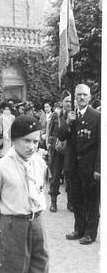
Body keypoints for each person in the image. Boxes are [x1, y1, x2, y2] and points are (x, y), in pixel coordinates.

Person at [0, 115, 48, 273]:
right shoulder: (0, 167)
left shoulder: (39, 162)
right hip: (13, 224)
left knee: (40, 266)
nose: (32, 146)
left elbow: (40, 190)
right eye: (27, 141)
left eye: (35, 142)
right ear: (14, 140)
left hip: (37, 221)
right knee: (14, 271)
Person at [62, 84, 100, 245]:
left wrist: (99, 168)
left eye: (85, 95)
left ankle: (90, 233)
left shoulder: (97, 116)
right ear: (75, 97)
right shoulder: (71, 115)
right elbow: (62, 136)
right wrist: (68, 122)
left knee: (91, 200)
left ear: (90, 97)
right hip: (74, 164)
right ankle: (79, 229)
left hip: (90, 164)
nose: (81, 98)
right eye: (79, 95)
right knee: (76, 198)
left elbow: (101, 144)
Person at [47, 90, 72, 212]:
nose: (69, 103)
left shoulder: (74, 115)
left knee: (70, 175)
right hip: (57, 149)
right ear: (62, 102)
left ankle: (70, 202)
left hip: (70, 150)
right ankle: (53, 202)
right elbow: (50, 131)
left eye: (70, 101)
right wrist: (51, 143)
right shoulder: (56, 115)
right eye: (66, 101)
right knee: (55, 175)